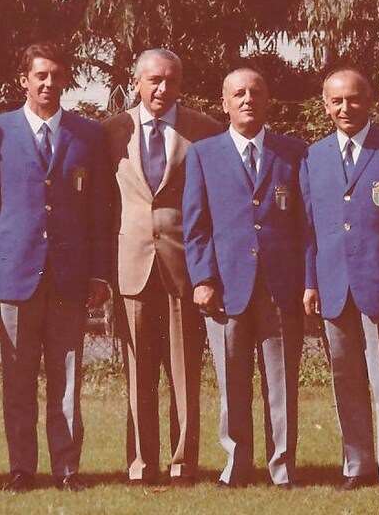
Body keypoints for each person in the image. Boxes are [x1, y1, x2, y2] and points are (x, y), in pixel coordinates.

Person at [0, 42, 112, 492]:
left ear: (65, 79)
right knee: (18, 378)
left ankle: (66, 468)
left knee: (67, 377)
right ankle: (21, 469)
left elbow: (101, 210)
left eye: (56, 75)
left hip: (69, 276)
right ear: (24, 80)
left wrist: (99, 272)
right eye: (40, 75)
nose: (48, 83)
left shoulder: (88, 134)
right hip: (14, 273)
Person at [301, 67, 379, 493]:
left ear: (369, 100)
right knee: (346, 379)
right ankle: (357, 464)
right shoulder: (314, 157)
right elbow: (309, 229)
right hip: (334, 286)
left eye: (353, 99)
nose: (345, 108)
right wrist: (311, 282)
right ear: (325, 105)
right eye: (336, 101)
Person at [99, 48, 222, 486]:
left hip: (182, 265)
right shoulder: (111, 131)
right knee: (138, 372)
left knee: (184, 373)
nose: (162, 88)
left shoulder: (204, 130)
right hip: (131, 263)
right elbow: (102, 203)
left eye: (171, 80)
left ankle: (183, 462)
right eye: (154, 80)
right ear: (136, 82)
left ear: (180, 84)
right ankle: (140, 463)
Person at [182, 67, 309, 488]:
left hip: (279, 287)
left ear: (267, 99)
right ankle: (236, 464)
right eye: (238, 93)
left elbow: (305, 225)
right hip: (225, 287)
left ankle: (282, 467)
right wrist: (202, 278)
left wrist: (306, 281)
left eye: (255, 92)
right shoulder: (203, 154)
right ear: (225, 103)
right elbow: (195, 226)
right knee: (231, 382)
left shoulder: (293, 152)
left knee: (281, 384)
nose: (247, 99)